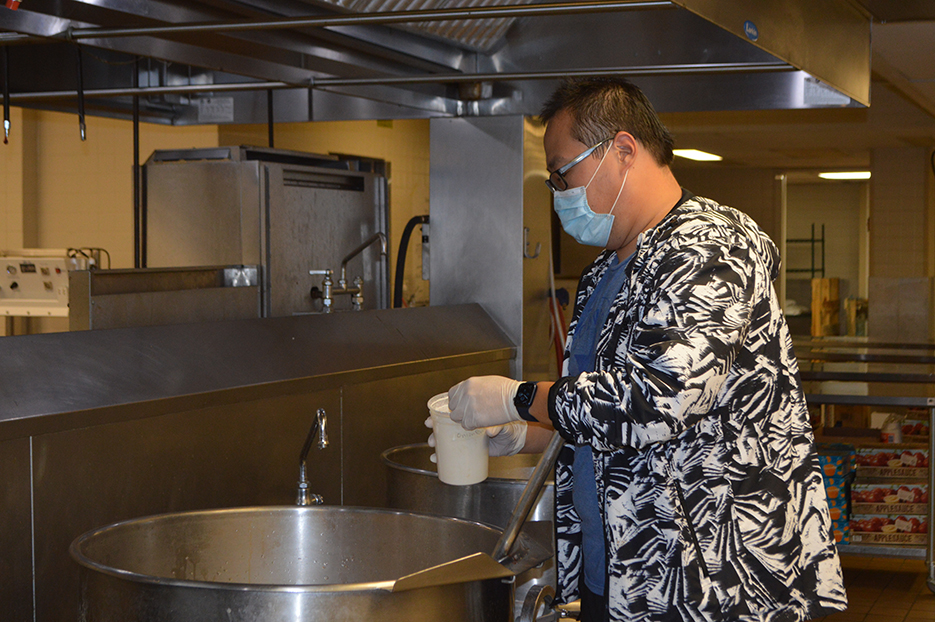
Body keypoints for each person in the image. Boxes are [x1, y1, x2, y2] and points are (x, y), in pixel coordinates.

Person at [429, 78, 848, 622]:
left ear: (622, 152)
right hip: (627, 574)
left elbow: (655, 399)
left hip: (713, 579)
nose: (557, 192)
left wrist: (517, 397)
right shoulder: (606, 272)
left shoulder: (710, 247)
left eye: (563, 173)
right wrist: (522, 434)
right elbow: (605, 415)